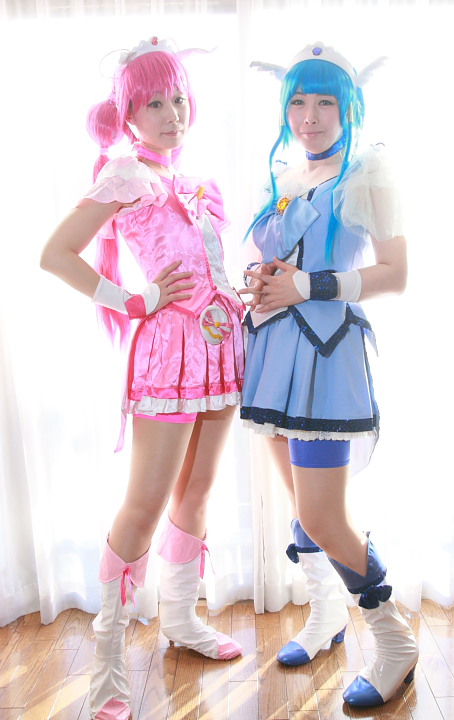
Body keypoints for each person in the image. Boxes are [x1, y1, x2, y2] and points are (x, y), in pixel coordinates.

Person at [40, 36, 244, 720]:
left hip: (220, 348)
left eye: (178, 98)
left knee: (199, 489)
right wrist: (132, 301)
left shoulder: (197, 181)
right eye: (154, 102)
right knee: (144, 504)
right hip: (165, 357)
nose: (171, 113)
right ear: (127, 113)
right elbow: (56, 254)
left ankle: (181, 619)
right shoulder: (124, 174)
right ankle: (106, 664)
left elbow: (205, 269)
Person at [239, 42, 418, 707]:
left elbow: (395, 275)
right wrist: (263, 278)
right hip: (274, 356)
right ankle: (326, 615)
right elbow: (281, 262)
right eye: (297, 102)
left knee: (321, 511)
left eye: (323, 103)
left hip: (325, 361)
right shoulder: (287, 174)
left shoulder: (367, 172)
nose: (308, 117)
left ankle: (393, 640)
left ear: (348, 108)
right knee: (301, 505)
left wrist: (308, 284)